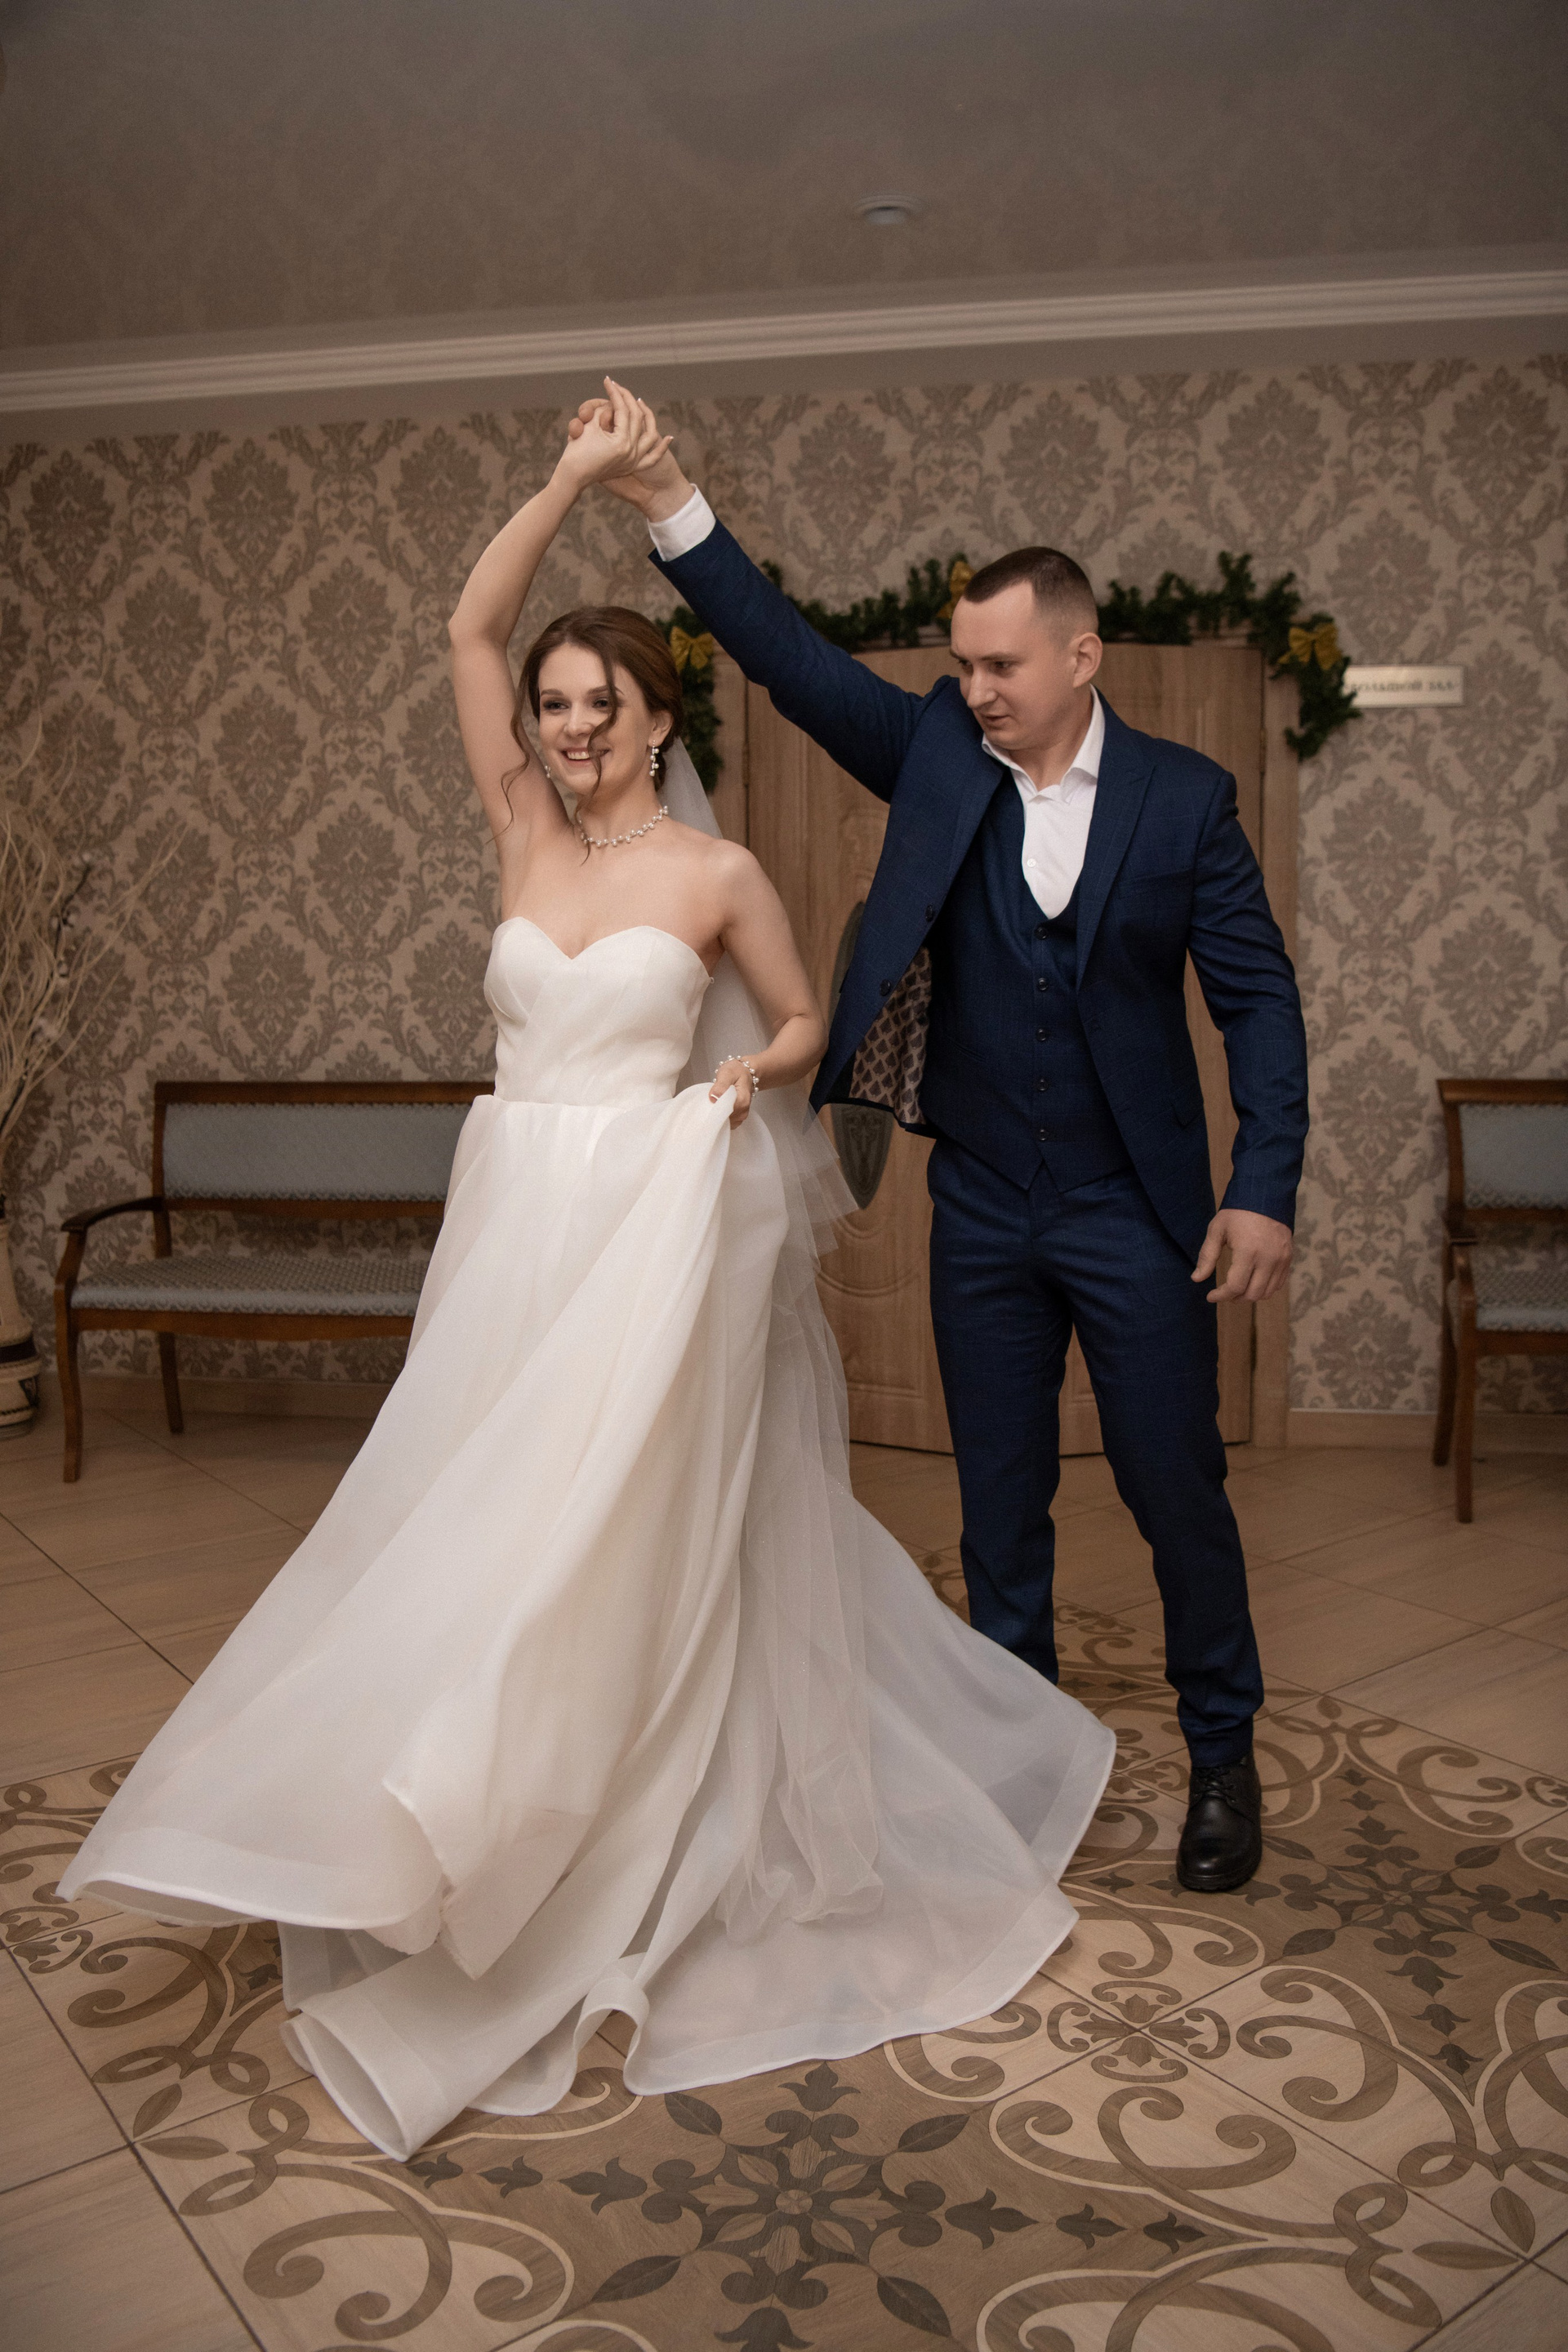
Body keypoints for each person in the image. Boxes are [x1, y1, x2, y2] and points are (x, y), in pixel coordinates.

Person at [60, 383, 1115, 2161]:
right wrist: (569, 479)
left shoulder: (714, 870)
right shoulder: (519, 829)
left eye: (592, 705)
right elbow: (466, 627)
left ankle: (609, 1807)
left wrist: (748, 1078)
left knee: (608, 1523)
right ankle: (441, 1807)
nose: (561, 729)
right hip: (511, 1223)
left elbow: (803, 1019)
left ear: (654, 717)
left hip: (646, 1219)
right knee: (466, 1511)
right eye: (549, 706)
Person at [582, 385, 1310, 1896]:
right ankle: (1017, 1772)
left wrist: (1261, 1190)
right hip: (980, 1204)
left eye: (999, 665)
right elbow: (786, 659)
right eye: (962, 664)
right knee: (999, 1508)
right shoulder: (935, 756)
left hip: (1139, 1212)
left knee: (1177, 1492)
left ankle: (1221, 1754)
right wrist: (665, 500)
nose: (973, 688)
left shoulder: (1186, 804)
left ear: (1081, 656)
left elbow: (1259, 1005)